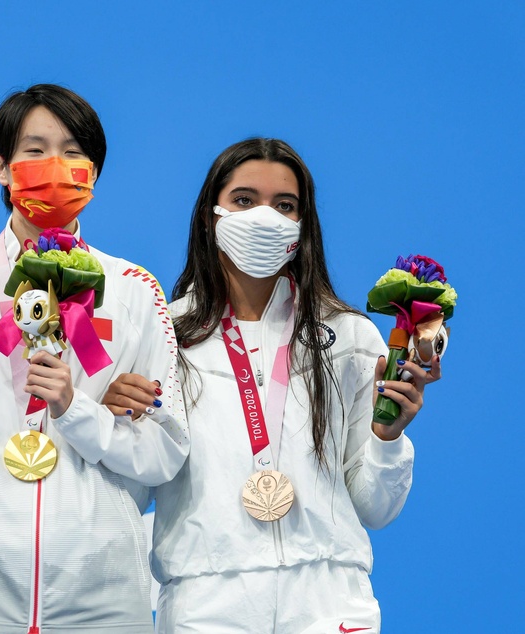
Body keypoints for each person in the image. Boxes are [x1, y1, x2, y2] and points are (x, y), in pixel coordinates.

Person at [103, 138, 439, 633]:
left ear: (302, 226)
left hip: (330, 600)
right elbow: (132, 494)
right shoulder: (163, 335)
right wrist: (115, 427)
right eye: (243, 200)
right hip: (206, 602)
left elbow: (376, 508)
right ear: (209, 216)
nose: (265, 217)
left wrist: (388, 438)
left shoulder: (347, 336)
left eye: (284, 205)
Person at [0, 84, 190, 634]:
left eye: (74, 151)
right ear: (0, 167)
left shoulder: (134, 290)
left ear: (94, 173)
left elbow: (163, 455)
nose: (54, 165)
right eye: (34, 150)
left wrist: (84, 413)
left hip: (102, 599)